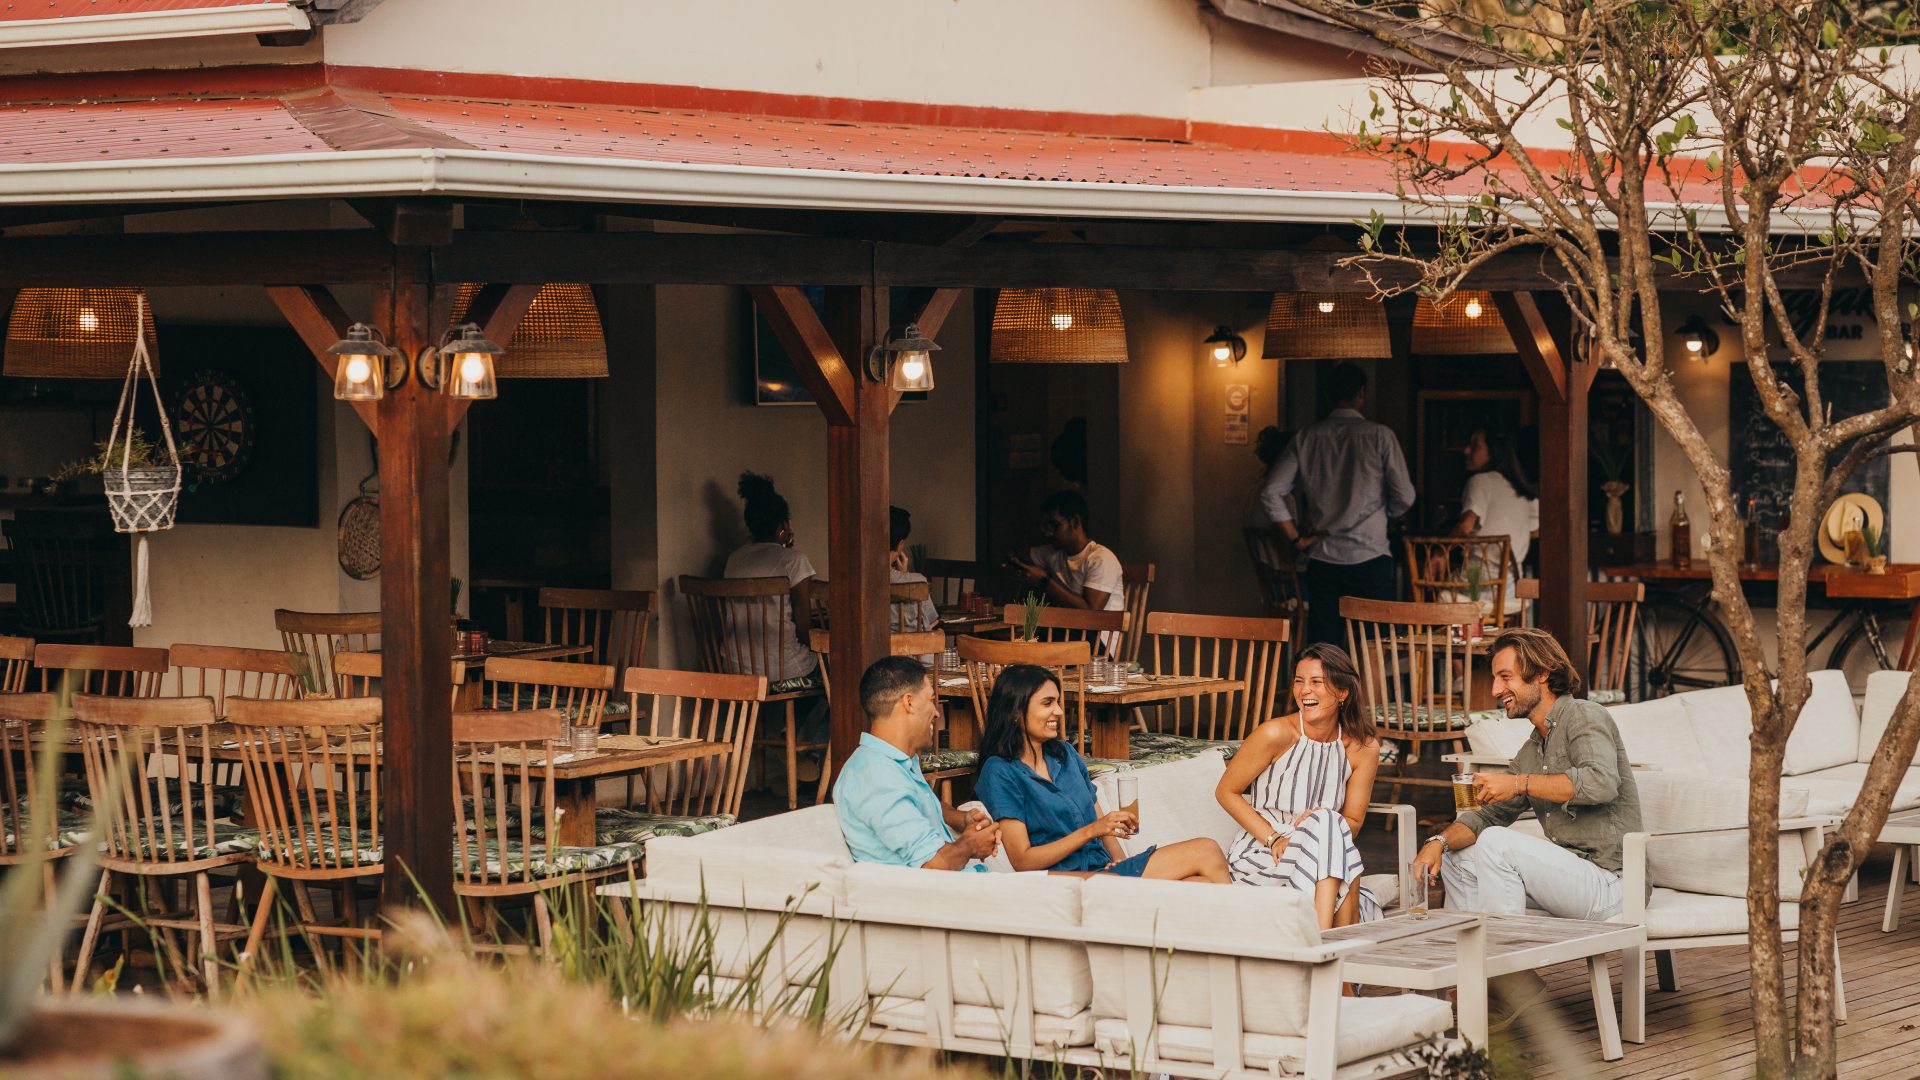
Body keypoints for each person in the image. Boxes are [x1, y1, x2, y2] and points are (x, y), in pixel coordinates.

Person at [1411, 627, 1642, 922]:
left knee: (1496, 842)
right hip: (1571, 878)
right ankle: (1474, 958)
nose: (1495, 690)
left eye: (1505, 677)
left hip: (1614, 885)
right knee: (1458, 858)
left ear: (1541, 673)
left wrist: (1519, 784)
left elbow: (1601, 783)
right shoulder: (1534, 748)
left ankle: (1505, 953)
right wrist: (1437, 843)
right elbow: (1486, 816)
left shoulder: (1584, 715)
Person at [974, 664, 1231, 882]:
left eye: (1058, 702)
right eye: (1047, 703)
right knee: (1205, 850)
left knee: (1202, 884)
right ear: (1017, 712)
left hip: (1102, 873)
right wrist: (1091, 831)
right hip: (1061, 880)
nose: (1059, 712)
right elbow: (1023, 861)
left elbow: (1099, 819)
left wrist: (1119, 861)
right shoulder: (1000, 771)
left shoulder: (1064, 754)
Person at [1214, 643, 1383, 927]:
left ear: (1342, 692)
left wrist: (1312, 829)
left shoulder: (1363, 748)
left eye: (1316, 682)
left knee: (1327, 819)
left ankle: (1320, 934)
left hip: (1323, 852)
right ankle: (1325, 935)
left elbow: (1352, 821)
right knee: (1329, 828)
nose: (1305, 691)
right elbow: (1225, 792)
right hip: (1264, 851)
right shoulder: (1275, 733)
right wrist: (1276, 838)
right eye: (1299, 681)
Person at [1259, 362, 1415, 647]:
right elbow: (1405, 496)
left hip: (1324, 558)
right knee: (1374, 650)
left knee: (1325, 651)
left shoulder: (1306, 438)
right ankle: (1369, 694)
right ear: (1361, 393)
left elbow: (1271, 492)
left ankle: (1323, 694)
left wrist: (1296, 539)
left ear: (1330, 395)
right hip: (1370, 554)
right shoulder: (1380, 436)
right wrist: (1385, 514)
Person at [834, 656, 1001, 871]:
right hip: (938, 898)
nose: (936, 712)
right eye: (931, 699)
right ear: (909, 702)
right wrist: (969, 844)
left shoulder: (895, 761)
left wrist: (961, 819)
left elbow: (918, 801)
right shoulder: (877, 777)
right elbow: (934, 866)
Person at [722, 472, 819, 693]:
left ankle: (784, 727)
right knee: (836, 672)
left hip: (735, 667)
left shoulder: (734, 559)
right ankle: (793, 727)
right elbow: (804, 630)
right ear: (783, 525)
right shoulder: (794, 560)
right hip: (781, 671)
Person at [1005, 490, 1126, 654]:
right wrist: (1015, 565)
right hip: (1065, 636)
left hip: (1098, 647)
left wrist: (1045, 582)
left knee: (1031, 652)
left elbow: (1091, 615)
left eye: (1054, 525)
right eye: (1044, 526)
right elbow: (1016, 552)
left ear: (1075, 522)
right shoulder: (1053, 554)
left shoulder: (1101, 558)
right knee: (1016, 650)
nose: (1047, 533)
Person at [1452, 428, 1539, 619]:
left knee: (1437, 592)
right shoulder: (1522, 487)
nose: (1467, 450)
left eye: (1475, 446)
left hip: (1477, 583)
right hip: (1512, 588)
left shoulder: (1480, 481)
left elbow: (1466, 526)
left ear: (1494, 451)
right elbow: (1536, 530)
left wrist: (1440, 553)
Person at [887, 505, 941, 633]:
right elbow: (932, 621)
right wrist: (905, 576)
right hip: (912, 652)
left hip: (873, 652)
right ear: (900, 544)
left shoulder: (857, 580)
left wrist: (903, 575)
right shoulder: (917, 581)